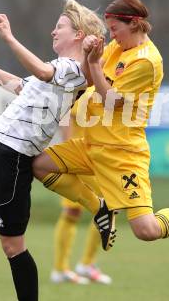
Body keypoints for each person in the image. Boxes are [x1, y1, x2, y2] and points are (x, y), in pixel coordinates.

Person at [32, 0, 169, 253]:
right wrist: (86, 52)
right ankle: (99, 207)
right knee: (38, 165)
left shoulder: (147, 61)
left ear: (134, 23)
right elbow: (87, 76)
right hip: (91, 145)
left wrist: (94, 62)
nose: (112, 36)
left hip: (123, 154)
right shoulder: (119, 47)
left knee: (146, 231)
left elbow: (111, 101)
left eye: (115, 29)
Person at [0, 0, 106, 301]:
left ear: (78, 35)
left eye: (59, 27)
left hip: (14, 159)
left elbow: (44, 73)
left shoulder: (75, 70)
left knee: (12, 246)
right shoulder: (56, 68)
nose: (53, 32)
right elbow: (20, 85)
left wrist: (8, 37)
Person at [50, 101, 112, 285]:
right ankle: (73, 267)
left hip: (96, 161)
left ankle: (73, 267)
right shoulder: (82, 84)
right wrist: (68, 153)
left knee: (79, 212)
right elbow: (66, 115)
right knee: (109, 205)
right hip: (79, 160)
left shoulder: (104, 84)